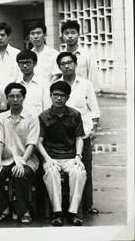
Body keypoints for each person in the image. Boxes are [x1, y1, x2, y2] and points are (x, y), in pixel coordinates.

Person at [55, 51, 100, 215]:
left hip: (83, 133)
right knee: (67, 170)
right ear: (59, 67)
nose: (66, 66)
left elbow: (94, 109)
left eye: (69, 63)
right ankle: (66, 205)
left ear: (75, 64)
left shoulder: (85, 84)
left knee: (85, 168)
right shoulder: (56, 85)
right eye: (63, 64)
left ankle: (88, 204)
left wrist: (94, 129)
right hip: (63, 135)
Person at [38, 81, 86, 226]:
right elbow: (39, 142)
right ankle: (57, 212)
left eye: (62, 95)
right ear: (50, 96)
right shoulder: (43, 116)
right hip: (51, 157)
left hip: (70, 157)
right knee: (51, 173)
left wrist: (78, 156)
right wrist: (47, 159)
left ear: (67, 98)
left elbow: (79, 138)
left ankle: (73, 212)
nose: (59, 98)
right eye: (56, 95)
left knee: (79, 172)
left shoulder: (75, 115)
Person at [0, 83, 40, 225]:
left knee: (20, 173)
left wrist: (22, 162)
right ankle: (3, 208)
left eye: (18, 96)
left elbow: (32, 143)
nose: (15, 100)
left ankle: (23, 211)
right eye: (11, 96)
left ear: (24, 97)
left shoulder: (32, 117)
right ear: (7, 98)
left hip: (27, 159)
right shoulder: (1, 117)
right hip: (7, 159)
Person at [60, 20, 100, 90]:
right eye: (66, 33)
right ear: (62, 36)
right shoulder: (60, 56)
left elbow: (93, 79)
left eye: (73, 33)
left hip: (83, 92)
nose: (70, 36)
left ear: (79, 34)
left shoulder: (88, 55)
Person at [15, 50, 51, 118]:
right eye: (22, 63)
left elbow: (47, 108)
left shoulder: (44, 84)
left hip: (38, 122)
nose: (25, 66)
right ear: (18, 65)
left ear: (35, 63)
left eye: (28, 62)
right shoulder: (16, 84)